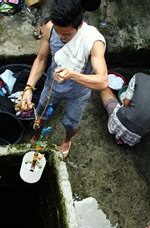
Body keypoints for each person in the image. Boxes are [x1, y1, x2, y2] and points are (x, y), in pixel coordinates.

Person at [20, 0, 108, 158]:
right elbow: (41, 59)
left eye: (66, 34)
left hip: (78, 91)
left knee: (71, 122)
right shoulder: (50, 28)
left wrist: (72, 75)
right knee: (40, 114)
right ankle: (36, 135)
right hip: (52, 84)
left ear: (79, 25)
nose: (61, 37)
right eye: (59, 33)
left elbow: (103, 81)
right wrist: (28, 88)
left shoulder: (94, 41)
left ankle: (67, 140)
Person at [100, 59, 150, 146]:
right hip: (138, 133)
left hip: (121, 120)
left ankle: (117, 135)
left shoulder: (138, 76)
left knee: (104, 90)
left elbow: (126, 103)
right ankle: (123, 139)